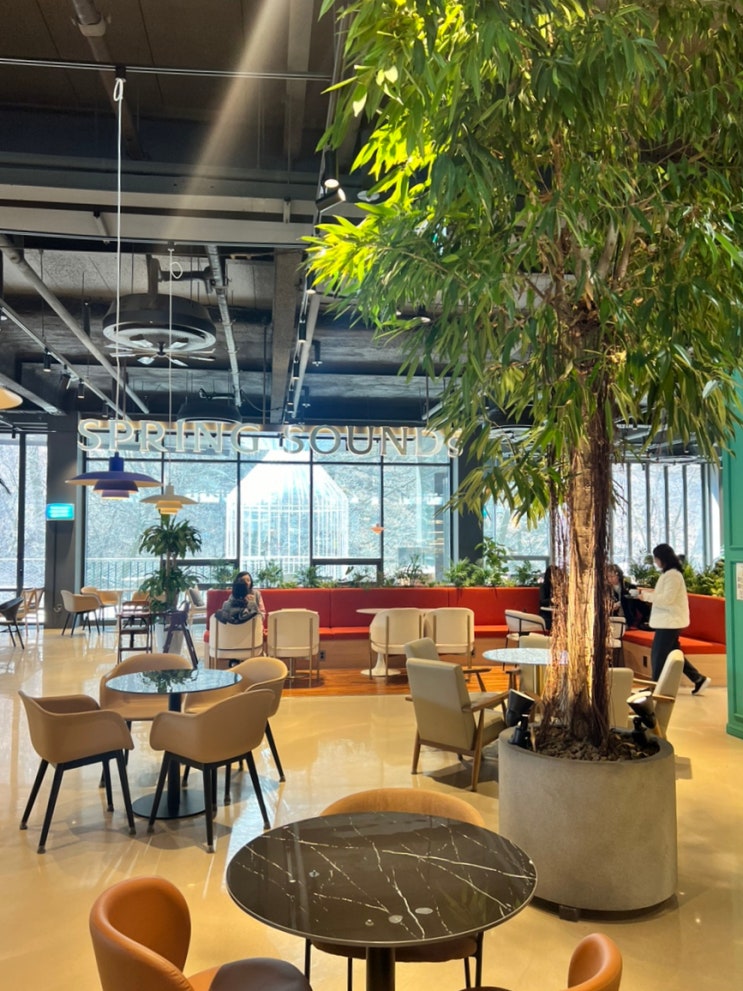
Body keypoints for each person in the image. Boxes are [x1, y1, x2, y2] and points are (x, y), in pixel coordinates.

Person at [643, 543, 711, 695]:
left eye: (656, 558)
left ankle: (656, 688)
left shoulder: (673, 575)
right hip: (668, 620)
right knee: (673, 652)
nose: (655, 561)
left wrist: (647, 596)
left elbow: (668, 599)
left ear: (662, 558)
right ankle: (698, 679)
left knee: (658, 655)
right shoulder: (668, 574)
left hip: (670, 621)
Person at [539, 565, 558, 632]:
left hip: (558, 614)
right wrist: (551, 600)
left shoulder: (560, 587)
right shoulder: (543, 587)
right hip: (546, 615)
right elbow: (542, 601)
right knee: (553, 624)